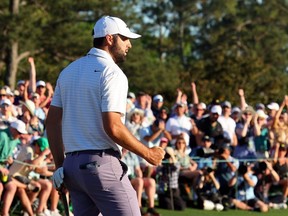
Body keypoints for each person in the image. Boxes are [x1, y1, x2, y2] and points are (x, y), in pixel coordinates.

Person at [46, 16, 165, 216]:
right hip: (101, 166)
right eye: (125, 38)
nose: (129, 44)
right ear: (110, 39)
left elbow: (51, 123)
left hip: (73, 167)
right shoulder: (112, 73)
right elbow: (113, 126)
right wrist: (148, 154)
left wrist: (60, 166)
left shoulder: (67, 71)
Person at [121, 148, 160, 216]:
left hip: (133, 178)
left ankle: (151, 207)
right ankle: (139, 206)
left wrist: (140, 176)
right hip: (124, 178)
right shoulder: (118, 153)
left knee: (151, 181)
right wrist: (123, 154)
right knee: (139, 181)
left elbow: (137, 169)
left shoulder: (132, 155)